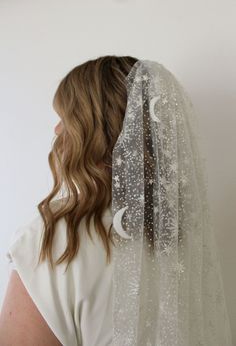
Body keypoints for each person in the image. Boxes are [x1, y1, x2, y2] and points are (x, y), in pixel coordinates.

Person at [0, 55, 233, 346]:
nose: (57, 131)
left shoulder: (55, 239)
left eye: (66, 119)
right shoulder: (184, 239)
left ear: (94, 133)